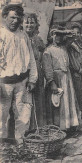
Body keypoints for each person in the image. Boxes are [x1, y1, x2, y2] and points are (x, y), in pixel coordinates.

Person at [0, 4, 37, 143]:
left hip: (22, 82)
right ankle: (2, 145)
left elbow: (31, 59)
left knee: (23, 113)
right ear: (5, 17)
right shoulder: (1, 35)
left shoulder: (24, 36)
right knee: (1, 115)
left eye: (17, 18)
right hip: (4, 83)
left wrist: (32, 79)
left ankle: (20, 141)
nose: (15, 21)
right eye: (12, 18)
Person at [42, 26, 80, 131]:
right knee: (57, 104)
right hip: (56, 79)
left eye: (60, 35)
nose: (58, 37)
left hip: (66, 79)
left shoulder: (64, 47)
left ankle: (68, 126)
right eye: (56, 35)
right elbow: (47, 69)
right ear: (52, 36)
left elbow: (73, 36)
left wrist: (64, 32)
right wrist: (51, 82)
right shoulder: (48, 51)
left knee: (67, 102)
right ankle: (58, 127)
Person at [23, 13, 47, 129]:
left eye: (32, 22)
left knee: (38, 99)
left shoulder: (38, 39)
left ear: (36, 24)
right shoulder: (20, 38)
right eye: (26, 22)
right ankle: (25, 127)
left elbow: (42, 57)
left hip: (38, 72)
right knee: (26, 100)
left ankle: (37, 127)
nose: (29, 25)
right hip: (25, 73)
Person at [66, 22, 82, 114]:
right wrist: (80, 69)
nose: (76, 35)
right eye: (74, 33)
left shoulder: (80, 42)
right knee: (76, 94)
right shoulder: (70, 45)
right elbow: (72, 61)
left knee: (80, 92)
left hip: (80, 71)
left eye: (78, 33)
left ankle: (79, 115)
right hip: (74, 72)